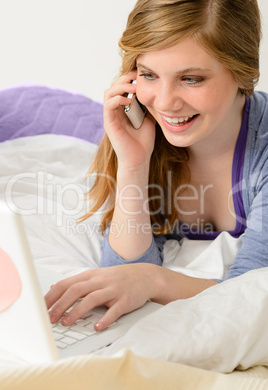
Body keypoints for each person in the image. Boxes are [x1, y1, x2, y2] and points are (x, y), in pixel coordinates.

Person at [45, 0, 267, 332]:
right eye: (149, 75)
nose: (164, 102)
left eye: (191, 79)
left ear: (242, 71)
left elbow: (247, 298)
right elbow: (123, 268)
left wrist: (155, 281)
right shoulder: (153, 136)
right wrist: (133, 164)